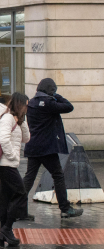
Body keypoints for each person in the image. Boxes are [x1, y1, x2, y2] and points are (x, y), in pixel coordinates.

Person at [22, 78, 83, 218]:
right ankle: (65, 209)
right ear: (51, 90)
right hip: (47, 148)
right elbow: (68, 106)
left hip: (33, 146)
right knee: (58, 176)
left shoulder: (31, 103)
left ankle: (17, 208)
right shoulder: (49, 103)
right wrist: (56, 95)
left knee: (29, 178)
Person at [0, 92, 31, 247]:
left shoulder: (18, 119)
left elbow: (26, 138)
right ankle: (7, 228)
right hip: (5, 164)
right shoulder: (7, 118)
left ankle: (2, 234)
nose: (27, 108)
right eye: (26, 105)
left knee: (6, 196)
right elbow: (3, 139)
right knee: (21, 193)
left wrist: (22, 121)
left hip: (9, 164)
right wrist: (13, 157)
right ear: (19, 104)